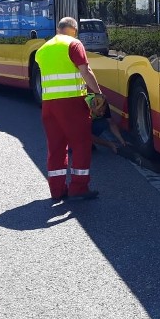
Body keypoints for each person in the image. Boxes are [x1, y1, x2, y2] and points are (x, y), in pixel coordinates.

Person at [35, 16, 104, 202]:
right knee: (81, 143)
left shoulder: (42, 50)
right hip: (71, 103)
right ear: (73, 29)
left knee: (56, 147)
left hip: (48, 104)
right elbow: (85, 71)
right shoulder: (74, 44)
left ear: (58, 29)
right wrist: (98, 94)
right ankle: (78, 187)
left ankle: (57, 191)